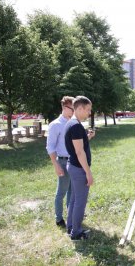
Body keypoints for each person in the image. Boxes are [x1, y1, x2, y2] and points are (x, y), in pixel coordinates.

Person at [64, 96, 95, 240]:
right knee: (80, 201)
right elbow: (79, 152)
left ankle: (70, 226)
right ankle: (76, 232)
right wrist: (88, 173)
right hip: (78, 168)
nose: (89, 113)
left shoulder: (71, 123)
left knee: (74, 199)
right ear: (80, 108)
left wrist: (87, 137)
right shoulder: (76, 126)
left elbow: (78, 146)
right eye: (88, 109)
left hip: (74, 165)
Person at [46, 96, 75, 228]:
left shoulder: (72, 122)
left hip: (73, 162)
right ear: (64, 107)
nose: (74, 111)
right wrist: (56, 165)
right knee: (61, 192)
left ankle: (71, 215)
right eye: (72, 108)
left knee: (72, 191)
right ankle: (59, 219)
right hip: (62, 162)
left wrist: (88, 137)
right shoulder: (55, 124)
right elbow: (50, 147)